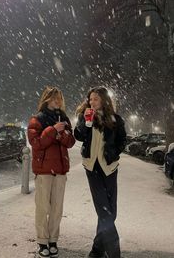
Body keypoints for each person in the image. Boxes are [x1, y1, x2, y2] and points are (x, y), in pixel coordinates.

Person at [74, 87, 126, 258]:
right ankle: (114, 253)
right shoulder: (85, 116)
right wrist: (87, 123)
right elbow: (79, 136)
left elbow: (121, 141)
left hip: (109, 168)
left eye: (95, 99)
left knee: (111, 211)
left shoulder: (115, 119)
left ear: (103, 100)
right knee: (104, 211)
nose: (92, 102)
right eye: (90, 99)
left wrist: (114, 155)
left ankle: (97, 250)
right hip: (92, 167)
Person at [27, 86, 75, 258]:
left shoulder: (65, 119)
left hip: (60, 171)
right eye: (54, 98)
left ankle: (53, 239)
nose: (57, 101)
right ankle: (42, 241)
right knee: (42, 207)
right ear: (46, 99)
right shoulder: (36, 119)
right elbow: (37, 143)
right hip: (44, 171)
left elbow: (70, 142)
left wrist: (61, 135)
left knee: (56, 208)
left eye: (60, 98)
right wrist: (53, 130)